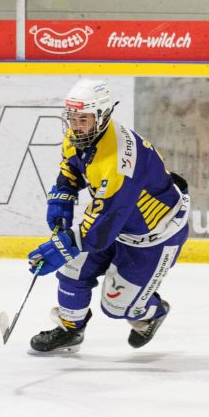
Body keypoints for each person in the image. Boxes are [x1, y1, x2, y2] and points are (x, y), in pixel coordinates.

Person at [27, 78, 190, 354]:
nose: (76, 126)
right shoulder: (83, 135)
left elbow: (99, 232)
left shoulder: (119, 162)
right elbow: (72, 166)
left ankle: (152, 313)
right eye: (73, 118)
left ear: (102, 115)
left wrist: (62, 246)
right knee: (72, 270)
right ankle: (70, 329)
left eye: (84, 119)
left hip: (154, 237)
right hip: (120, 222)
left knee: (116, 306)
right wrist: (62, 196)